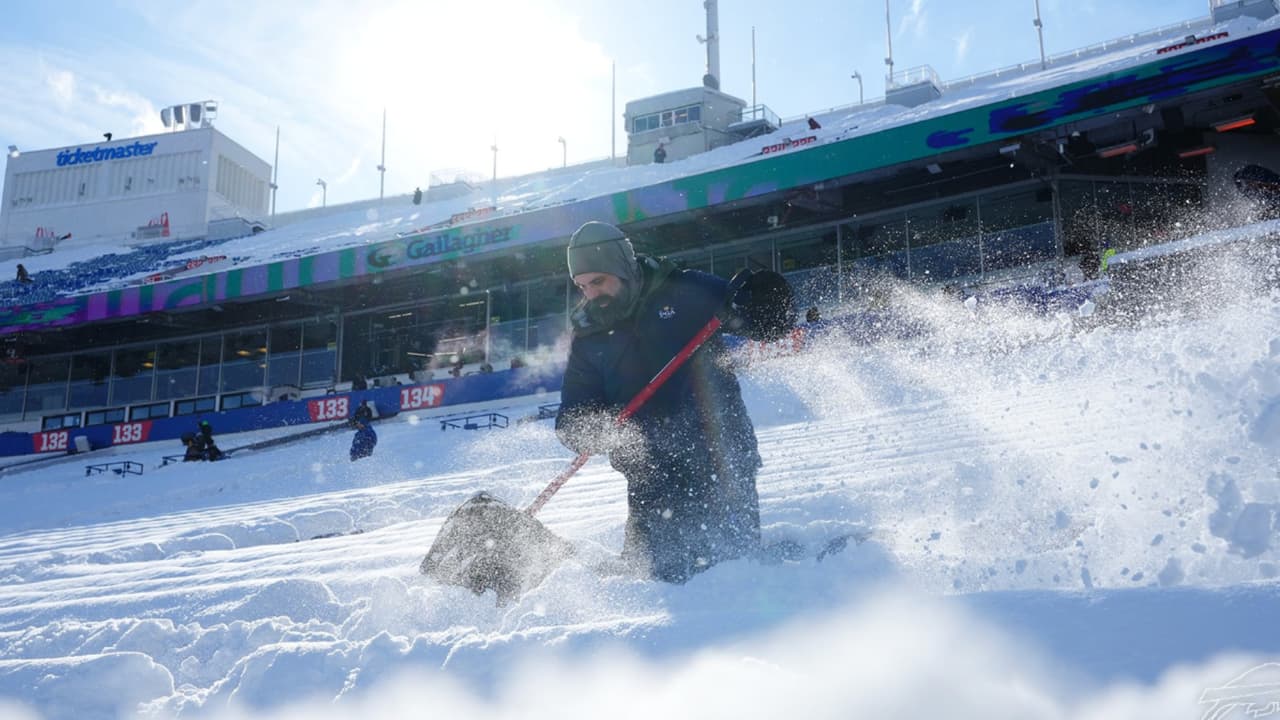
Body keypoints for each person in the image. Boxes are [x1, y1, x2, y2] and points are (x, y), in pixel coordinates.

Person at [555, 221, 795, 583]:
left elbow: (762, 322)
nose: (591, 294)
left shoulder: (685, 290)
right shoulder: (589, 335)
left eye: (598, 281)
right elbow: (574, 411)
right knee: (650, 580)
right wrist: (588, 430)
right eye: (582, 286)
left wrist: (766, 305)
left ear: (623, 268)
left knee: (731, 573)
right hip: (649, 477)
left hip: (719, 461)